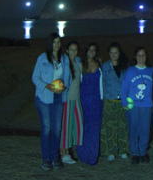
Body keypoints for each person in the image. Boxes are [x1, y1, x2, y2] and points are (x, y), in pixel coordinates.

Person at [32, 32, 72, 171]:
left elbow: (67, 77)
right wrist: (46, 86)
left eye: (59, 42)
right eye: (54, 42)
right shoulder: (42, 58)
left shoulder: (64, 58)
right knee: (47, 128)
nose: (57, 44)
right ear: (50, 43)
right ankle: (46, 159)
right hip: (44, 97)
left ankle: (55, 157)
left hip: (58, 97)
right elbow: (35, 77)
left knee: (57, 129)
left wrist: (64, 88)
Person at [122, 46, 153, 164]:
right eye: (139, 55)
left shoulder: (151, 71)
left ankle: (143, 152)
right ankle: (135, 153)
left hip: (147, 105)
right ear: (135, 57)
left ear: (146, 57)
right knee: (134, 129)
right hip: (133, 106)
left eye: (143, 55)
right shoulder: (131, 70)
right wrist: (125, 102)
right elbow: (125, 88)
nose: (141, 58)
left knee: (145, 130)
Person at [100, 42, 130, 161]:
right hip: (109, 100)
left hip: (122, 101)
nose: (113, 55)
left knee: (123, 126)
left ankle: (123, 150)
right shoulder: (104, 66)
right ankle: (111, 151)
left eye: (116, 52)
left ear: (119, 53)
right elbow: (101, 84)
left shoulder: (125, 66)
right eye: (111, 53)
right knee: (110, 126)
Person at [76, 42, 102, 165]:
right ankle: (82, 154)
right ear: (86, 51)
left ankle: (92, 156)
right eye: (89, 50)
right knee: (83, 128)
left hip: (97, 102)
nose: (91, 52)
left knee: (94, 129)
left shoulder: (99, 64)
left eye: (94, 50)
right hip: (84, 102)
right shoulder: (80, 64)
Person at [59, 41, 83, 164]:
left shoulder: (77, 61)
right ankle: (64, 153)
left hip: (76, 98)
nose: (73, 52)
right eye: (71, 49)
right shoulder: (64, 63)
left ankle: (69, 150)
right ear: (67, 51)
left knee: (76, 125)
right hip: (67, 98)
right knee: (66, 126)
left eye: (75, 49)